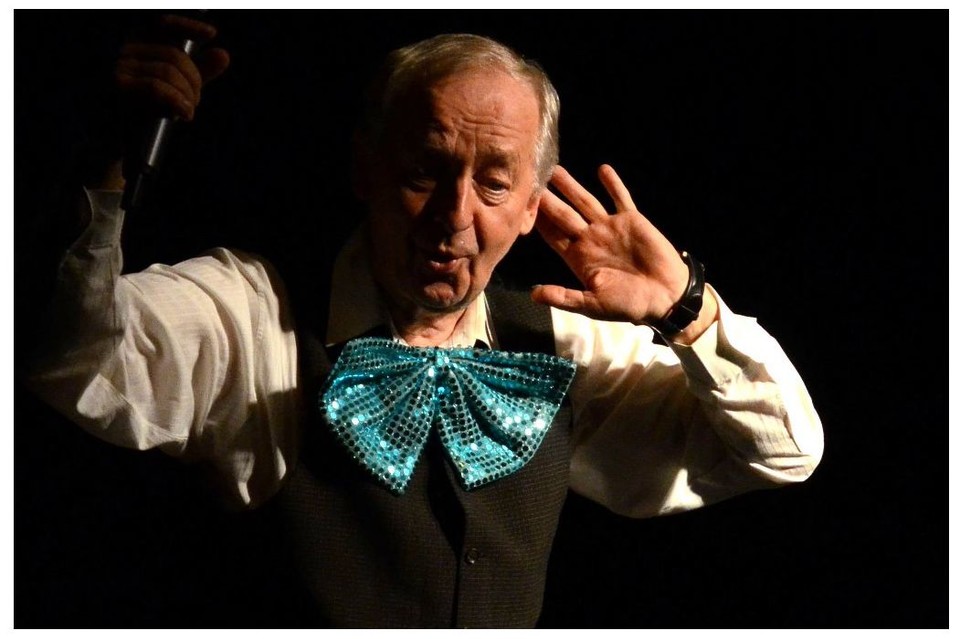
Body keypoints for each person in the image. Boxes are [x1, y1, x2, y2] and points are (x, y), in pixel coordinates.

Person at [27, 14, 824, 628]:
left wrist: (689, 308)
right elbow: (71, 355)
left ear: (532, 207)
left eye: (493, 183)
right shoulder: (254, 312)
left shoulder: (562, 343)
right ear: (364, 169)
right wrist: (100, 164)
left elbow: (785, 451)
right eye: (424, 171)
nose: (453, 216)